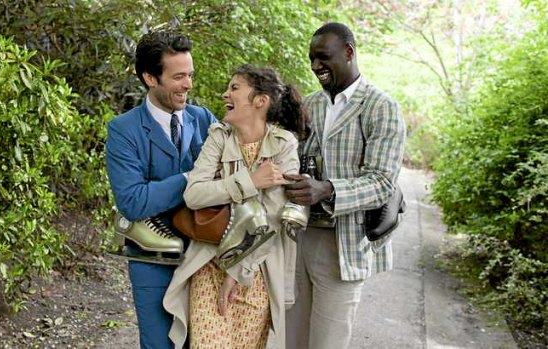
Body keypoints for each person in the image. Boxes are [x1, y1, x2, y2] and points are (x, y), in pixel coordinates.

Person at [163, 64, 310, 349]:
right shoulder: (219, 135)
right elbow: (194, 195)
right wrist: (250, 181)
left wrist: (237, 272)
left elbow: (273, 219)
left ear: (260, 101)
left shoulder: (283, 144)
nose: (224, 94)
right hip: (209, 262)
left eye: (234, 88)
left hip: (258, 270)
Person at [283, 22, 406, 349]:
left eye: (323, 57)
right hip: (298, 238)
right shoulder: (308, 105)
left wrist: (327, 189)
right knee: (290, 339)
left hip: (345, 246)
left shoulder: (382, 107)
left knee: (326, 343)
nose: (315, 66)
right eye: (311, 59)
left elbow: (382, 182)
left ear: (349, 52)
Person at [105, 31, 217, 349]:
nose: (188, 85)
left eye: (190, 75)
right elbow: (133, 201)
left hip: (204, 254)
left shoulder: (204, 118)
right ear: (150, 77)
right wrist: (194, 178)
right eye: (178, 76)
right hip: (151, 263)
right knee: (160, 344)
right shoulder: (123, 130)